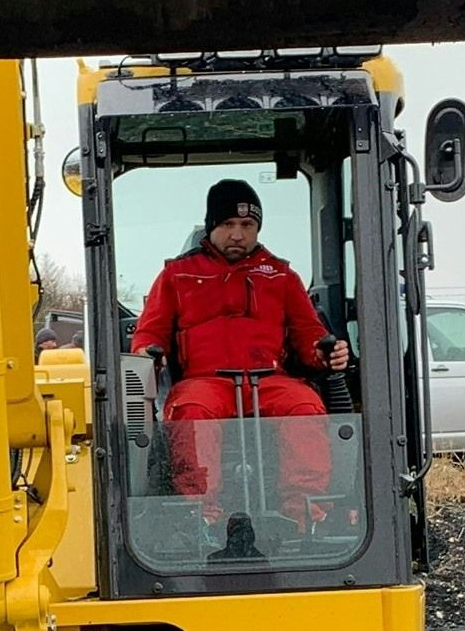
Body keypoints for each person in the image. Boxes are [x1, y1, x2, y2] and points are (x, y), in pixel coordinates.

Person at [130, 177, 347, 528]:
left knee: (304, 406)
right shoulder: (177, 274)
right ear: (212, 225)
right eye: (228, 224)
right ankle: (201, 517)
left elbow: (310, 333)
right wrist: (147, 352)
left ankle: (306, 515)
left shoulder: (280, 275)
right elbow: (150, 331)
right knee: (192, 412)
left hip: (269, 381)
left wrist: (326, 352)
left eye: (247, 225)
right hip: (206, 381)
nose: (238, 234)